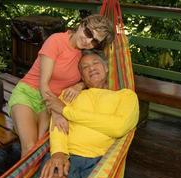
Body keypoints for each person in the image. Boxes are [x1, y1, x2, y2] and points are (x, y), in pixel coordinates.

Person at [8, 14, 114, 157]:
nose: (88, 41)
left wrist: (80, 85)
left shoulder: (84, 54)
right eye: (88, 33)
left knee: (41, 147)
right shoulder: (56, 41)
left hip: (50, 104)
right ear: (81, 25)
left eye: (95, 41)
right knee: (30, 147)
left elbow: (91, 75)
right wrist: (58, 113)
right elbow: (43, 84)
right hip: (29, 93)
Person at [38, 49, 139, 178]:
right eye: (85, 67)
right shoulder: (69, 94)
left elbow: (118, 127)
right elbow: (57, 126)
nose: (91, 68)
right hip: (67, 156)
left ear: (106, 67)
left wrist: (67, 111)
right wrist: (58, 152)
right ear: (82, 77)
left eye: (95, 63)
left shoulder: (126, 96)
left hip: (101, 161)